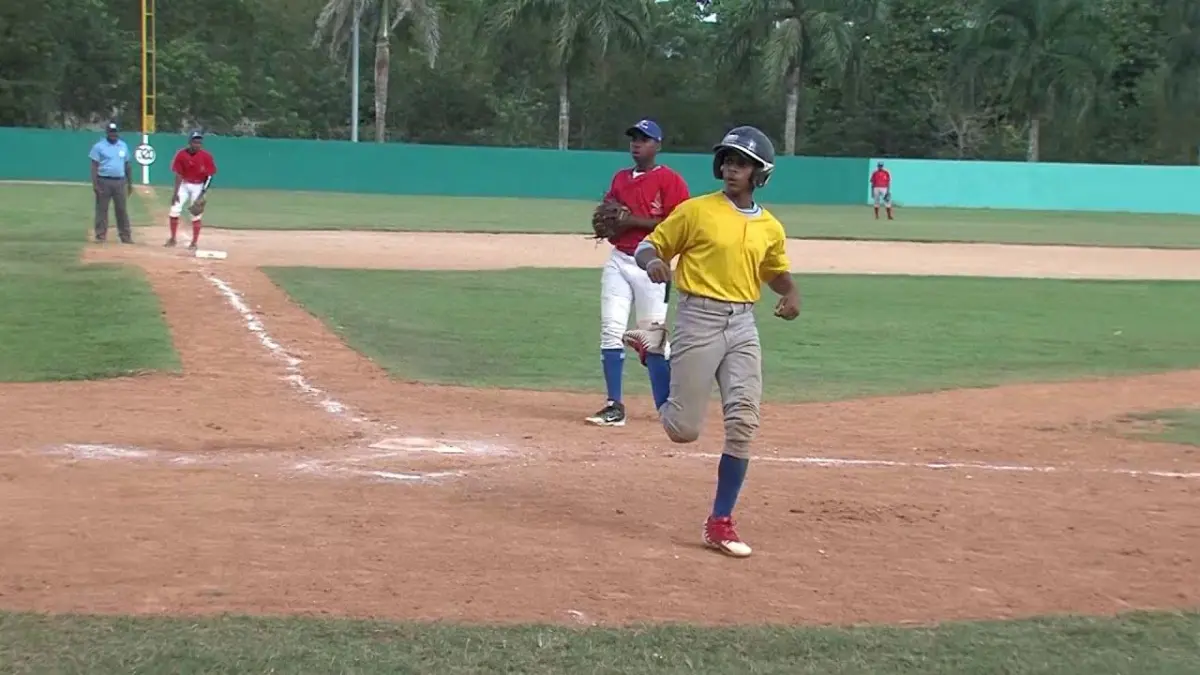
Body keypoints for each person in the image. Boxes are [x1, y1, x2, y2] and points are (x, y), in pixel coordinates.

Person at [623, 125, 801, 558]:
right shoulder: (696, 211)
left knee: (743, 422)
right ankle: (654, 353)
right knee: (682, 430)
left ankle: (720, 522)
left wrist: (792, 292)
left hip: (743, 325)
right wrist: (653, 262)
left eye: (742, 164)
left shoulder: (770, 227)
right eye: (728, 161)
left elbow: (773, 271)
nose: (732, 169)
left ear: (760, 173)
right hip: (698, 319)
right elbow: (649, 246)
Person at [585, 119, 689, 427]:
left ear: (657, 145)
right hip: (619, 261)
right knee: (611, 330)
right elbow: (609, 214)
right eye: (634, 138)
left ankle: (666, 407)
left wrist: (633, 221)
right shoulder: (620, 178)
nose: (637, 144)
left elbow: (680, 224)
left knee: (652, 339)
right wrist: (610, 222)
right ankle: (614, 405)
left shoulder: (670, 180)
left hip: (652, 267)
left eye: (644, 139)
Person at [165, 131, 218, 250]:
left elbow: (209, 177)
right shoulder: (181, 154)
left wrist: (202, 194)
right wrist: (175, 193)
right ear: (190, 142)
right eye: (195, 142)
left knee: (196, 214)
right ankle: (172, 239)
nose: (197, 144)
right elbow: (179, 174)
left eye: (199, 142)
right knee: (174, 210)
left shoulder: (206, 156)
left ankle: (194, 242)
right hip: (184, 185)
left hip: (198, 186)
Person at [88, 122, 133, 244]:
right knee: (102, 209)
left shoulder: (123, 146)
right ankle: (100, 235)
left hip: (120, 181)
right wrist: (95, 184)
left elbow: (127, 165)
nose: (113, 135)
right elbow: (94, 166)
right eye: (111, 132)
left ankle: (125, 236)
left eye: (115, 132)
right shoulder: (99, 146)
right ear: (107, 133)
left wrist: (130, 183)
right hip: (103, 180)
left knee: (121, 209)